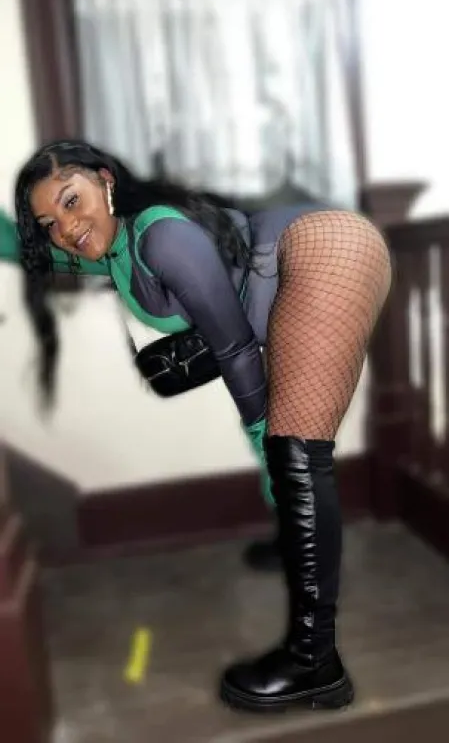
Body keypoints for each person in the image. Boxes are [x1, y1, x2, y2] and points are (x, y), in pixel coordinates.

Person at [2, 138, 391, 713]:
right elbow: (24, 245)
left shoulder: (161, 234)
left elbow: (235, 349)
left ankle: (316, 664)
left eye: (71, 200)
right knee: (286, 453)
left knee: (293, 448)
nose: (67, 226)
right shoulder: (106, 247)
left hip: (327, 247)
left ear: (105, 181)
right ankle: (296, 540)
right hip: (292, 278)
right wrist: (24, 234)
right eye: (51, 222)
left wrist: (263, 438)